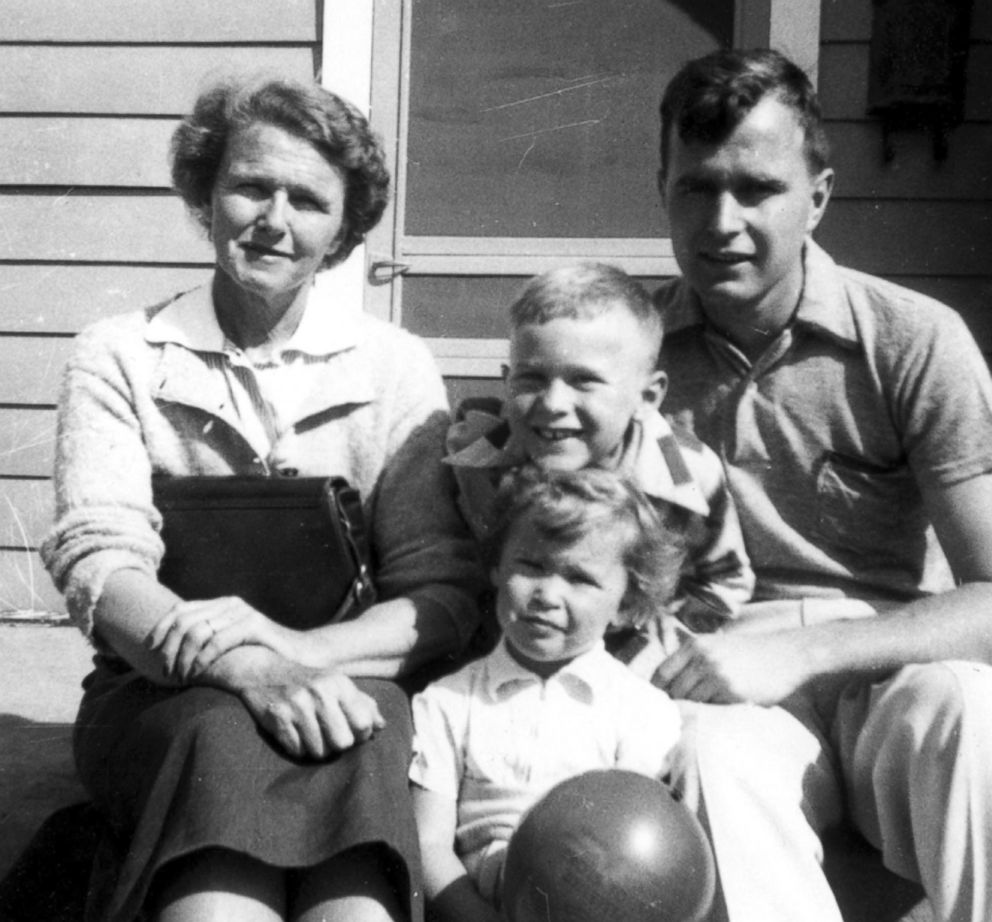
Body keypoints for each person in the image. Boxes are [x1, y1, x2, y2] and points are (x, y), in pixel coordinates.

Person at [40, 76, 484, 922]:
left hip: (349, 679)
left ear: (343, 232)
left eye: (309, 200)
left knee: (364, 744)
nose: (274, 218)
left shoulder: (393, 368)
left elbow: (442, 594)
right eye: (250, 186)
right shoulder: (122, 354)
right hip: (159, 697)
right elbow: (101, 565)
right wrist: (249, 668)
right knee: (220, 733)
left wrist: (293, 654)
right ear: (207, 196)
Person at [652, 48, 992, 922]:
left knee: (969, 709)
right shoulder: (633, 351)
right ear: (663, 190)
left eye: (757, 188)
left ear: (820, 196)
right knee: (713, 756)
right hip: (724, 673)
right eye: (695, 187)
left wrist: (802, 653)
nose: (722, 221)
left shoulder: (912, 340)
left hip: (889, 667)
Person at [445, 262, 754, 670]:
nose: (553, 404)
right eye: (532, 378)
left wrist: (650, 638)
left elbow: (723, 584)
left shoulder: (686, 474)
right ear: (507, 381)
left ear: (647, 396)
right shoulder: (475, 460)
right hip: (503, 651)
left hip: (633, 656)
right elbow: (458, 572)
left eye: (583, 381)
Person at [408, 467, 683, 922]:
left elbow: (634, 846)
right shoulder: (447, 702)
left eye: (580, 578)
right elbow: (429, 843)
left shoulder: (640, 709)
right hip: (478, 903)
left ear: (627, 603)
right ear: (496, 566)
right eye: (531, 566)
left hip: (599, 900)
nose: (548, 595)